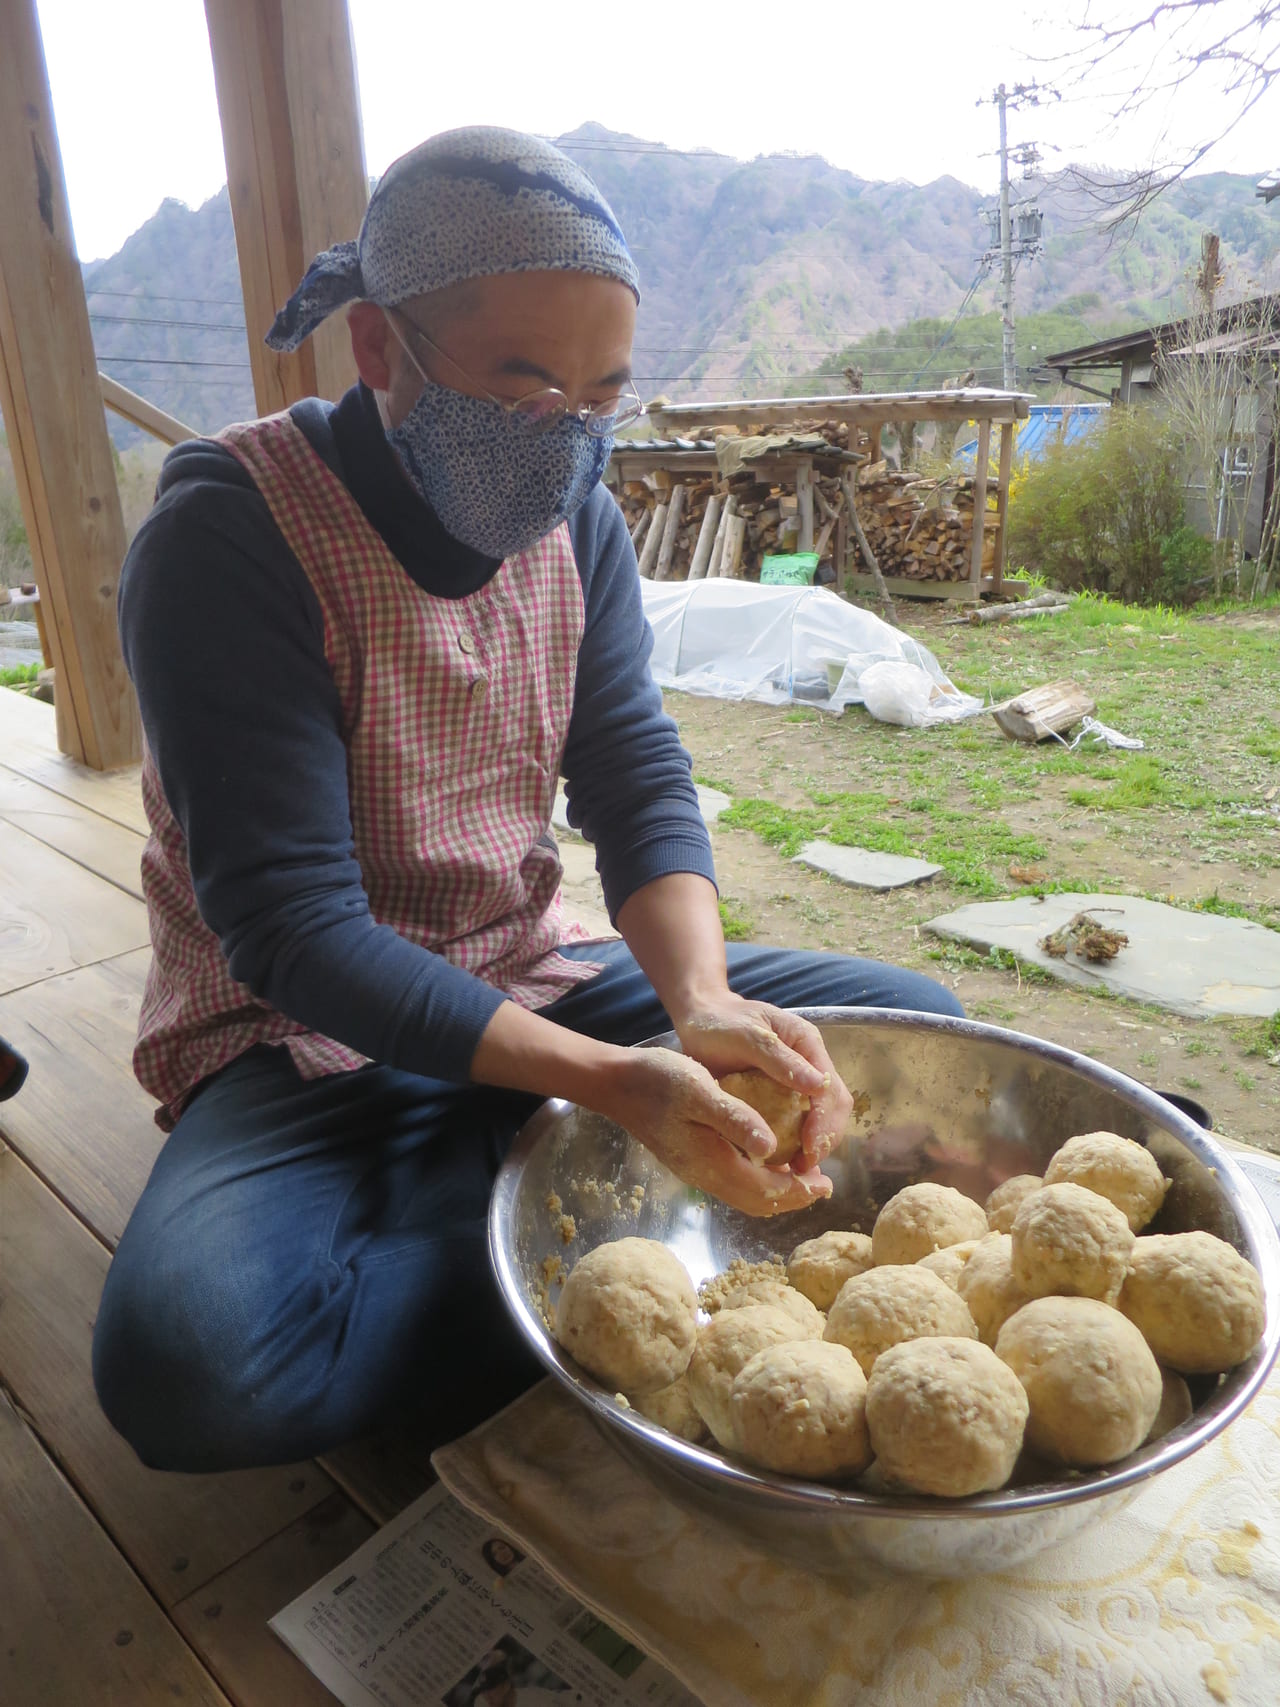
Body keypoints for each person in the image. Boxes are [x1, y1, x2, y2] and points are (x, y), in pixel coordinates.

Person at [91, 127, 962, 1474]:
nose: (565, 436)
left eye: (602, 396)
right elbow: (292, 931)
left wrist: (699, 1005)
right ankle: (528, 1182)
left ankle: (526, 1169)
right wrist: (615, 1084)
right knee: (195, 1369)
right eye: (522, 384)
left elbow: (632, 771)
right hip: (300, 1035)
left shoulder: (579, 521)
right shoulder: (231, 530)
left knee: (912, 1029)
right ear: (379, 350)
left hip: (529, 974)